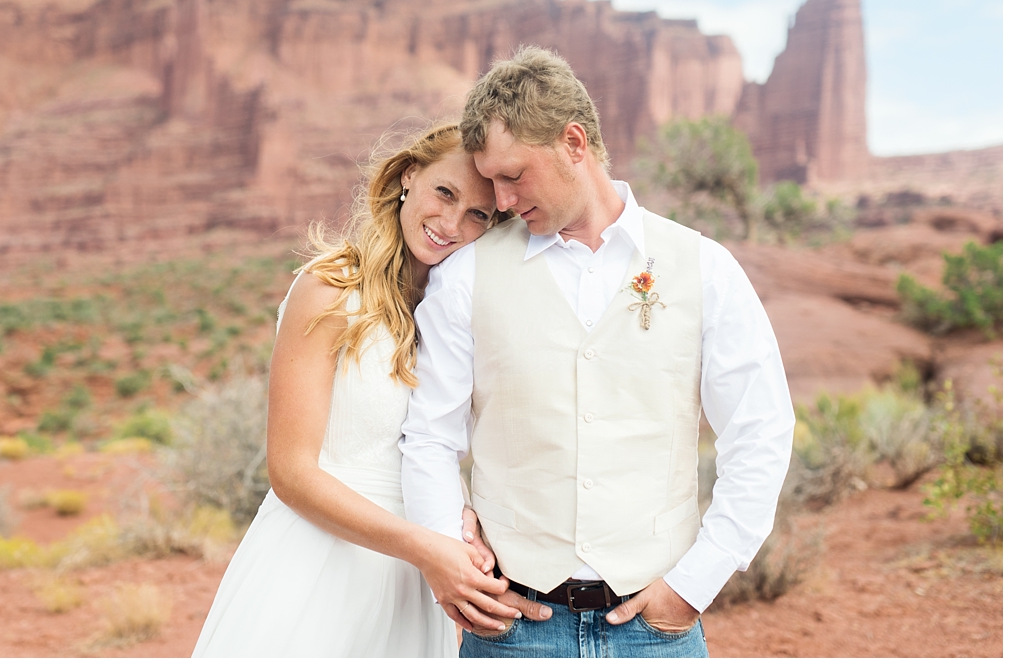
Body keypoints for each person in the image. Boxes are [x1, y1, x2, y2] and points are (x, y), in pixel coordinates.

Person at [401, 46, 794, 658]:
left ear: (574, 144)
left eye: (513, 175)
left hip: (657, 632)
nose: (500, 201)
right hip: (512, 630)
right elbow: (428, 436)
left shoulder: (703, 268)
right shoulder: (467, 276)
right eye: (492, 180)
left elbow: (761, 430)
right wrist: (447, 553)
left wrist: (695, 584)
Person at [193, 122, 515, 656]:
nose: (451, 223)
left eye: (478, 214)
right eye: (444, 193)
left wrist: (459, 518)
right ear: (410, 175)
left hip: (414, 578)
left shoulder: (461, 313)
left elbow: (437, 447)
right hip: (319, 563)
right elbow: (291, 472)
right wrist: (425, 549)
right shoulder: (329, 289)